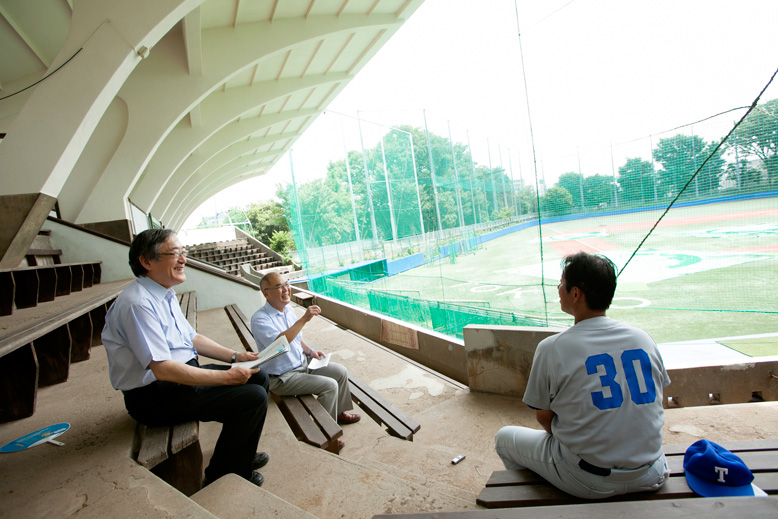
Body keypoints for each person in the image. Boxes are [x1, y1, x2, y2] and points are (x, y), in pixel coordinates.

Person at [494, 251, 671, 499]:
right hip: (652, 474)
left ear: (575, 294)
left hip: (588, 481)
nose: (558, 288)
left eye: (562, 283)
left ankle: (541, 501)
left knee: (503, 438)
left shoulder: (552, 347)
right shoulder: (643, 338)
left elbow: (544, 418)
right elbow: (656, 400)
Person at [102, 229, 270, 487]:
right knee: (252, 398)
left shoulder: (163, 293)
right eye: (175, 254)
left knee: (258, 375)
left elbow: (191, 338)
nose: (184, 260)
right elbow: (162, 369)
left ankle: (240, 454)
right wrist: (225, 377)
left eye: (184, 253)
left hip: (177, 380)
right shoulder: (137, 304)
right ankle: (226, 470)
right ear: (146, 261)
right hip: (154, 396)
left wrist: (236, 356)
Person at [250, 272, 360, 449]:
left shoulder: (288, 310)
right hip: (282, 377)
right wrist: (304, 319)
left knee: (340, 371)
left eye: (287, 284)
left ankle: (338, 413)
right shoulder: (260, 319)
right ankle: (326, 434)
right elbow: (280, 343)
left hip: (301, 364)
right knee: (329, 386)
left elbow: (296, 338)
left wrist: (310, 352)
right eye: (279, 286)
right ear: (266, 293)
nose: (286, 289)